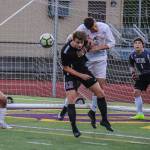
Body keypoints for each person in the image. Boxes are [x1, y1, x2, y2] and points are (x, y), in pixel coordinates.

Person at [58, 17, 115, 128]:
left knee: (100, 88)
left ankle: (93, 112)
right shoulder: (81, 29)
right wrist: (73, 52)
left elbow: (112, 43)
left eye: (95, 26)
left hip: (100, 59)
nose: (95, 29)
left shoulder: (105, 27)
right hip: (84, 61)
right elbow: (70, 39)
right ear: (87, 29)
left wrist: (96, 48)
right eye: (92, 29)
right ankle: (65, 108)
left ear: (95, 21)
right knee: (74, 90)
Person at [129, 37, 150, 120]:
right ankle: (140, 114)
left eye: (139, 43)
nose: (137, 44)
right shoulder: (132, 55)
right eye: (135, 43)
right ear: (133, 45)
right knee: (136, 92)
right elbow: (131, 65)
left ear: (142, 45)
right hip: (142, 75)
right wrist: (133, 73)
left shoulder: (148, 54)